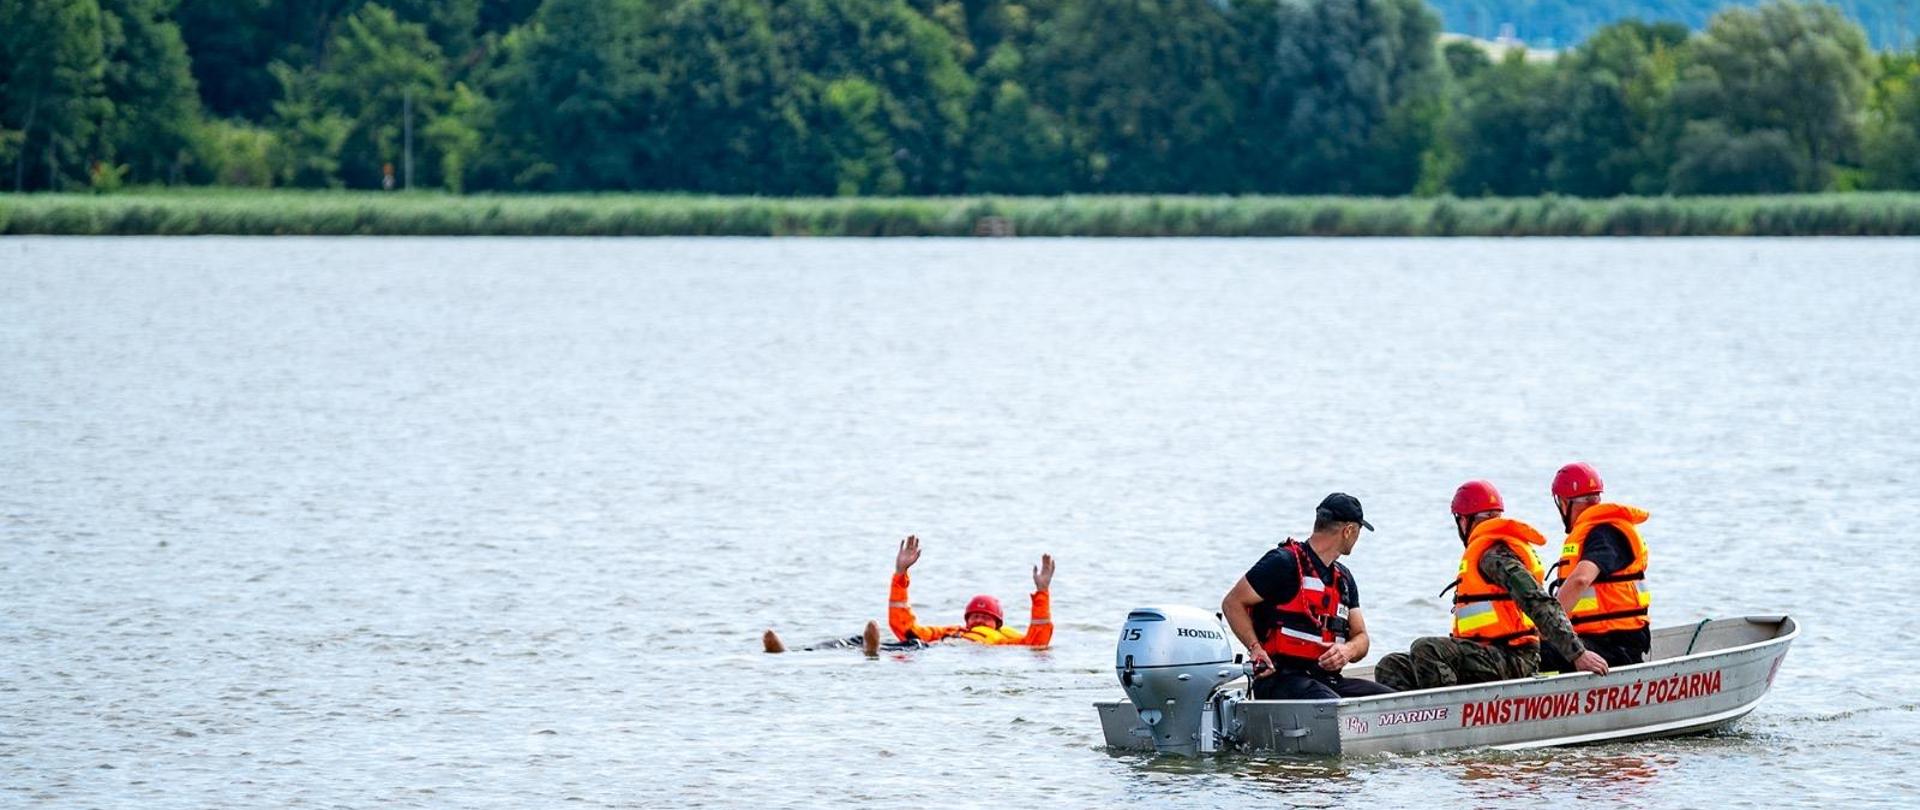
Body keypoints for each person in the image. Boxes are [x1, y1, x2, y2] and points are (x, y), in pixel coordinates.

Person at [1374, 480, 1609, 691]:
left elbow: (1537, 601)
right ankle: (1413, 725)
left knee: (1427, 649)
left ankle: (1453, 719)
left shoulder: (1495, 555)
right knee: (1391, 665)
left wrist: (1577, 653)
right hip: (1483, 654)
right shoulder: (1484, 553)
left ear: (1464, 521)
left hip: (1514, 657)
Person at [1221, 493, 1396, 700]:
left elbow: (1361, 637)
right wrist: (1255, 648)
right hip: (1281, 679)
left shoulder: (1344, 579)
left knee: (1394, 702)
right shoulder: (1283, 562)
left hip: (1326, 679)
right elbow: (1232, 603)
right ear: (1348, 531)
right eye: (1358, 532)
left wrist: (1347, 651)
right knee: (1337, 708)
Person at [762, 535, 1054, 654]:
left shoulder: (1006, 639)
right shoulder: (951, 630)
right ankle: (794, 654)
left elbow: (1038, 639)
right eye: (974, 616)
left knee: (906, 648)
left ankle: (873, 652)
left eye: (985, 617)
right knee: (856, 639)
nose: (977, 620)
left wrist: (1042, 592)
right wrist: (900, 573)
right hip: (926, 645)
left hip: (931, 654)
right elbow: (906, 625)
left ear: (997, 624)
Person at [1542, 462, 1652, 670]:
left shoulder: (1604, 533)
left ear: (1564, 503)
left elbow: (1580, 579)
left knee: (1535, 653)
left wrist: (1547, 625)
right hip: (1597, 640)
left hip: (1615, 646)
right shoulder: (1598, 531)